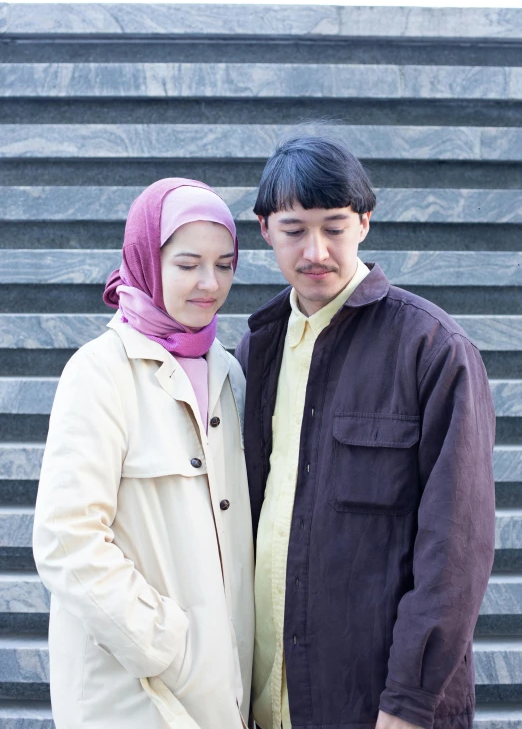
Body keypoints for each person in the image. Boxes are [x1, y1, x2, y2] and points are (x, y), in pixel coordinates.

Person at [235, 137, 496, 729]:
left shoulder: (432, 350)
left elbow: (456, 552)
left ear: (365, 222)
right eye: (295, 229)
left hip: (376, 705)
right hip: (267, 701)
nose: (316, 250)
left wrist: (407, 705)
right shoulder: (258, 350)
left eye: (335, 226)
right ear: (264, 230)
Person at [33, 178, 254, 729]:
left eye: (225, 264)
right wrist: (165, 643)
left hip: (221, 692)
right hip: (132, 693)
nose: (210, 284)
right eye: (187, 264)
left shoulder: (228, 371)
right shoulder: (100, 371)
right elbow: (67, 537)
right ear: (146, 262)